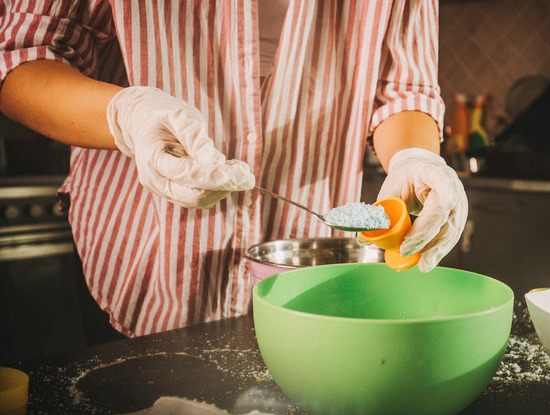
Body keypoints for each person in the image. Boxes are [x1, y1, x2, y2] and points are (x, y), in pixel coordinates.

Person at [0, 0, 467, 338]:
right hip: (139, 255)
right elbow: (21, 55)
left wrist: (414, 156)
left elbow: (405, 89)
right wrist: (126, 114)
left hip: (308, 278)